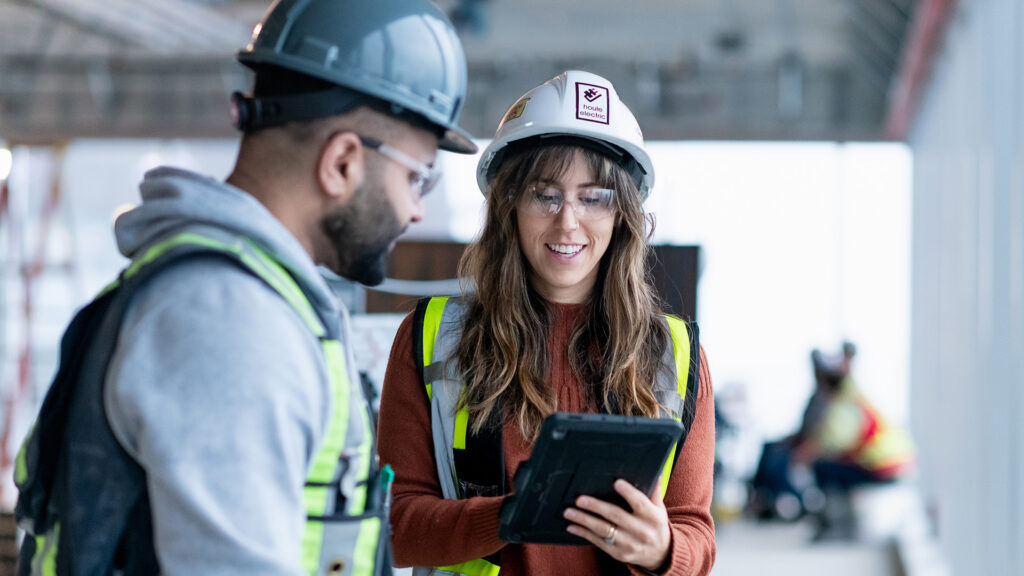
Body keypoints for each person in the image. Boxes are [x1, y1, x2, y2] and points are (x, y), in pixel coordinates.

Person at [13, 0, 476, 574]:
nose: (414, 209)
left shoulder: (250, 298)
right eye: (416, 177)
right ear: (342, 163)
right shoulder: (229, 322)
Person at [376, 70, 716, 576]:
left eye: (593, 196)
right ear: (509, 204)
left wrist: (663, 550)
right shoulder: (433, 338)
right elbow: (394, 529)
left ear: (622, 212)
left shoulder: (671, 353)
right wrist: (515, 514)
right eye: (545, 194)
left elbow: (697, 536)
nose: (568, 222)